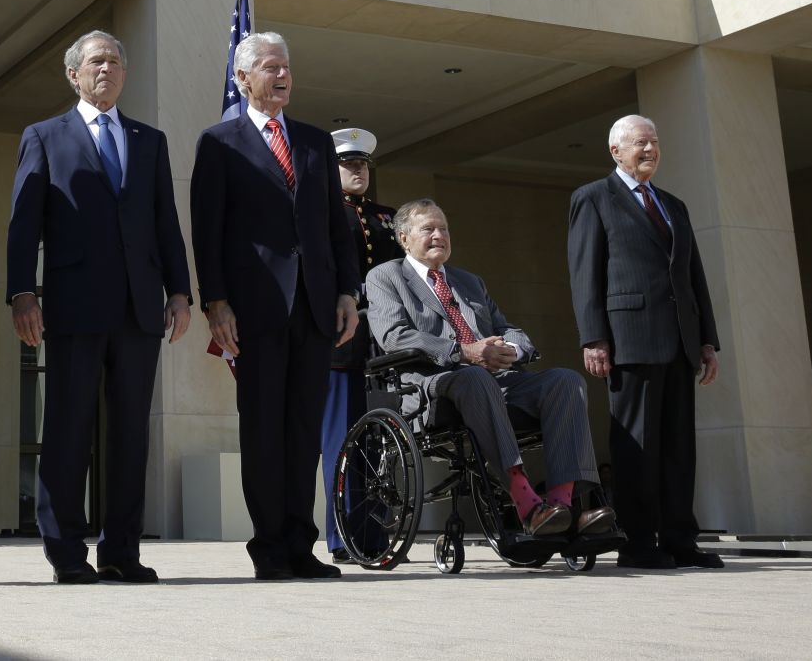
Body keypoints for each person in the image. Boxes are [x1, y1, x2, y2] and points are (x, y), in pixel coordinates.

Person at [6, 31, 192, 584]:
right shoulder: (44, 136)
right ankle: (66, 553)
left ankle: (121, 551)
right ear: (74, 74)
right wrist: (21, 292)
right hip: (74, 306)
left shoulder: (149, 140)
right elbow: (23, 224)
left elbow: (165, 223)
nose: (106, 68)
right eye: (95, 61)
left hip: (140, 308)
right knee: (68, 430)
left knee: (130, 434)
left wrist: (180, 292)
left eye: (114, 60)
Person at [190, 32, 361, 580]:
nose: (282, 75)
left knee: (303, 431)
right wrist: (215, 300)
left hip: (314, 307)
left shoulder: (314, 142)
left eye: (286, 66)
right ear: (242, 79)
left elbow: (338, 227)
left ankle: (299, 544)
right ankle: (268, 548)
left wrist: (348, 293)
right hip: (255, 309)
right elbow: (207, 230)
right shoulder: (220, 142)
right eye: (270, 67)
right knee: (263, 430)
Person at [367, 199, 617, 539]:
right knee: (474, 376)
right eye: (428, 229)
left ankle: (563, 506)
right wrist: (464, 352)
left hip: (499, 381)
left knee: (565, 380)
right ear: (403, 238)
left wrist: (511, 349)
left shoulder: (469, 282)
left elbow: (507, 328)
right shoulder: (386, 277)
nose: (439, 235)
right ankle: (526, 503)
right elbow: (394, 336)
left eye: (444, 228)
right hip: (435, 386)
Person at [568, 115, 722, 569]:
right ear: (616, 151)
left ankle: (679, 538)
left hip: (679, 340)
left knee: (678, 446)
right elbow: (584, 272)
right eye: (640, 143)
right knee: (637, 446)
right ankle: (638, 541)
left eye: (655, 142)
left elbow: (694, 276)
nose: (650, 150)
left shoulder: (674, 204)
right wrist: (594, 337)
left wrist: (707, 341)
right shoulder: (593, 198)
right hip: (629, 338)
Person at [321, 128, 402, 562]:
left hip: (384, 344)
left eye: (362, 165)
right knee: (342, 441)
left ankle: (376, 535)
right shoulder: (322, 214)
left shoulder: (387, 217)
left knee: (381, 444)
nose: (358, 171)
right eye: (348, 164)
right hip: (342, 344)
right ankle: (343, 538)